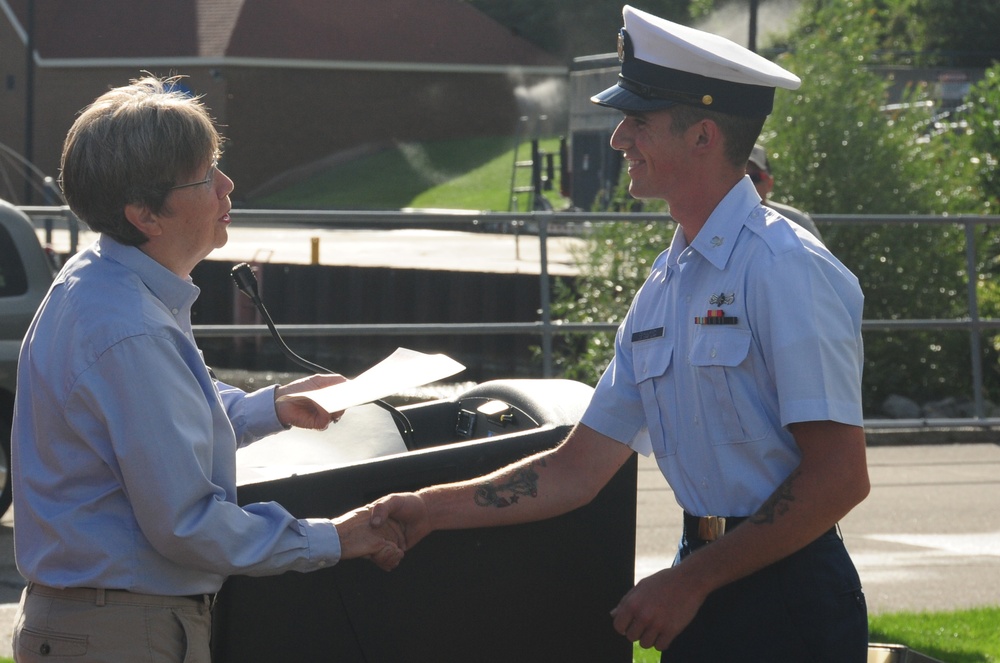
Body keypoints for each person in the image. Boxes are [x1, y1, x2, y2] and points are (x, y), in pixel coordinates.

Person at [370, 6, 870, 661]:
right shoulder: (666, 284)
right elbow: (576, 469)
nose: (617, 140)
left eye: (638, 120)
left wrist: (689, 581)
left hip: (786, 599)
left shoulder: (787, 271)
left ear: (704, 135)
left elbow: (839, 477)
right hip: (703, 581)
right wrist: (429, 507)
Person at [10, 76, 403, 663]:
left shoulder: (105, 280)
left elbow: (157, 417)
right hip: (120, 631)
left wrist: (265, 406)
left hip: (102, 620)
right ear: (146, 214)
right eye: (205, 176)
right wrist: (333, 538)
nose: (227, 185)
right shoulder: (130, 330)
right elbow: (186, 523)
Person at [748, 143, 823, 240]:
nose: (746, 184)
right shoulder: (723, 222)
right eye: (739, 179)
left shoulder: (797, 223)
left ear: (769, 183)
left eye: (754, 178)